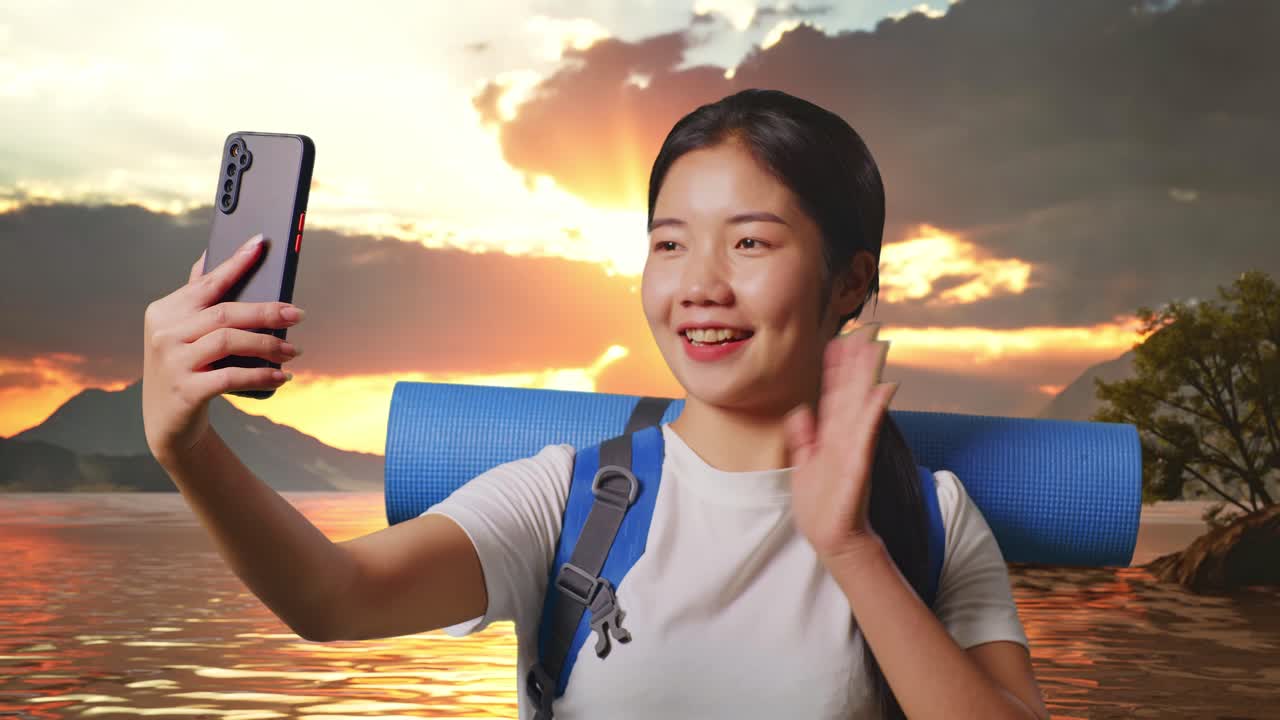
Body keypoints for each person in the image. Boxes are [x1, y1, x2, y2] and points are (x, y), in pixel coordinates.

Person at [142, 88, 1049, 720]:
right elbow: (331, 599)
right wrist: (188, 449)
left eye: (750, 243)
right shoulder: (569, 502)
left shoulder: (930, 521)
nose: (700, 286)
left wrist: (851, 551)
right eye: (669, 243)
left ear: (851, 280)